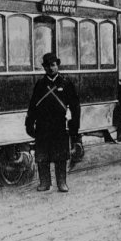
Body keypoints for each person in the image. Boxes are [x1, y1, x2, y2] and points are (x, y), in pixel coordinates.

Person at [25, 52, 81, 192]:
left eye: (53, 65)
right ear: (44, 67)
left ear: (57, 65)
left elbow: (75, 106)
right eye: (47, 66)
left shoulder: (66, 83)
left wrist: (74, 125)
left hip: (59, 125)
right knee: (42, 156)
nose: (50, 68)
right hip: (43, 125)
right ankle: (44, 183)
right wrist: (29, 123)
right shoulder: (40, 84)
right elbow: (33, 106)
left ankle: (61, 183)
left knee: (60, 156)